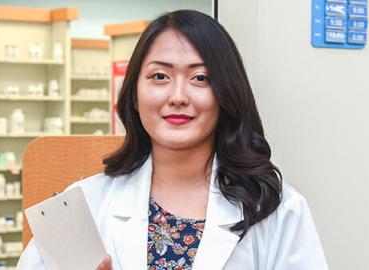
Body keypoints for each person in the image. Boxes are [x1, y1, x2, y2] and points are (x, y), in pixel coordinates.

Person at [17, 9, 328, 270]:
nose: (178, 96)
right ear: (135, 94)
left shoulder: (277, 210)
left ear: (226, 94)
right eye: (160, 77)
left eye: (200, 78)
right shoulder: (84, 204)